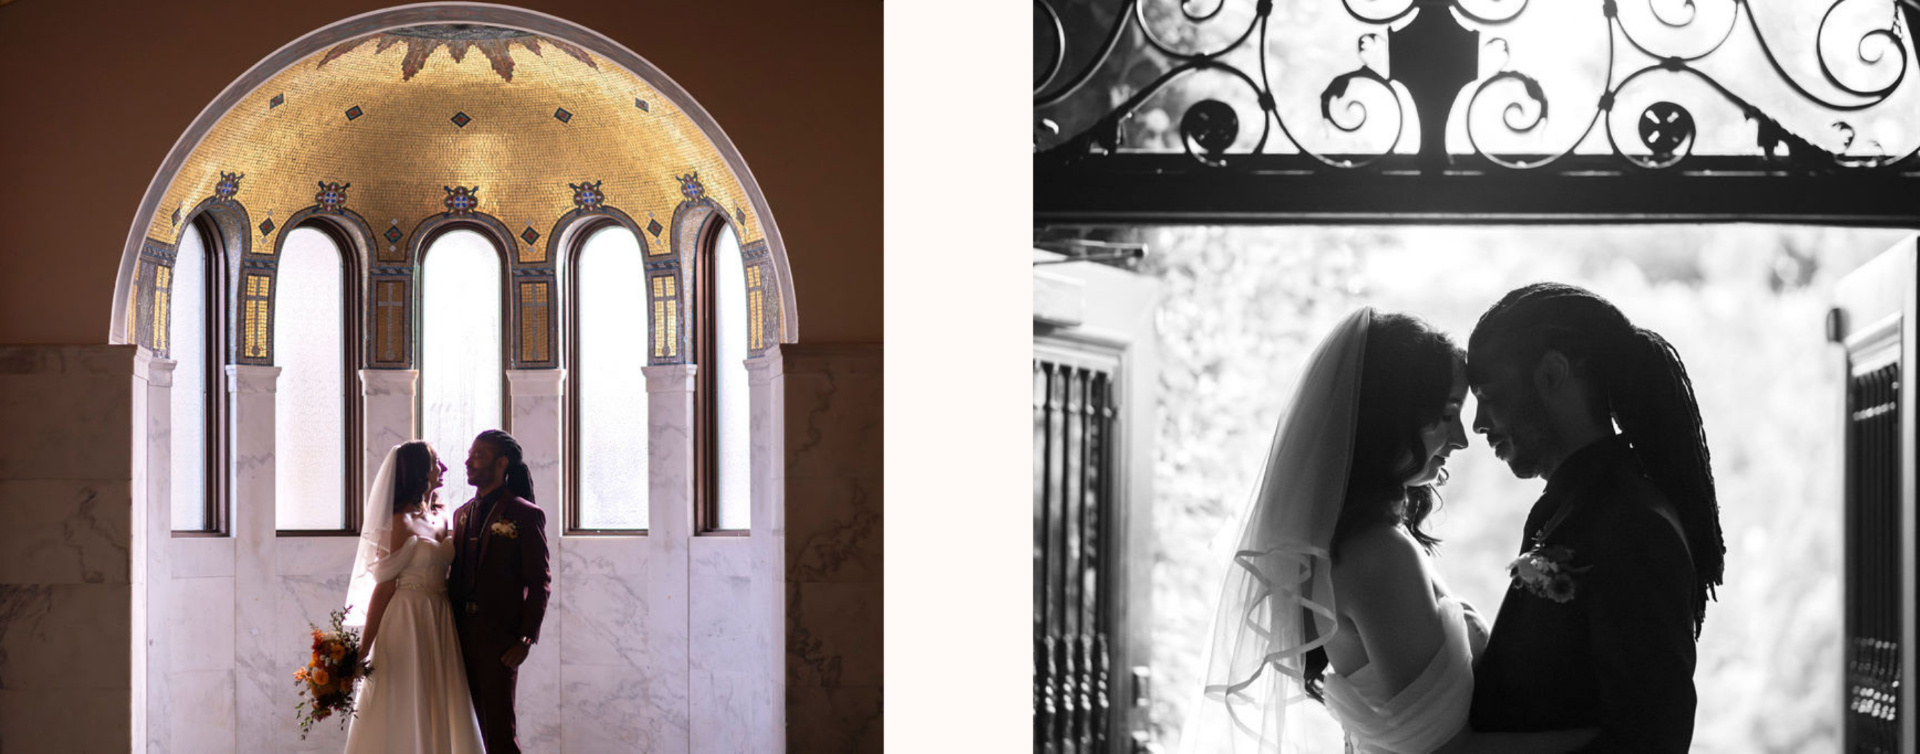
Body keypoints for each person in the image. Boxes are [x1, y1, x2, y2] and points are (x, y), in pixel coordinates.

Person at [1187, 308, 1595, 754]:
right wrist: (1608, 739)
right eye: (1445, 413)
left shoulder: (1353, 544)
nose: (1461, 437)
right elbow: (1451, 751)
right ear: (1389, 417)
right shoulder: (1378, 554)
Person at [1459, 283, 1722, 753]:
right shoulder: (1568, 506)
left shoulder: (1634, 523)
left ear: (1552, 373)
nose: (1478, 423)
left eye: (1489, 395)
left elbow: (1649, 741)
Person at [343, 440, 485, 753]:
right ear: (419, 471)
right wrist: (363, 649)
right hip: (406, 620)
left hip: (440, 618)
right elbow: (384, 588)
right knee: (406, 700)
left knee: (440, 699)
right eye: (436, 462)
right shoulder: (399, 522)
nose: (445, 468)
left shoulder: (442, 517)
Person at [449, 429, 551, 754]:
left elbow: (540, 583)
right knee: (466, 730)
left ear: (501, 462)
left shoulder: (525, 514)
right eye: (469, 454)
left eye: (478, 455)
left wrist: (525, 639)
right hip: (456, 637)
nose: (468, 462)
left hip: (499, 641)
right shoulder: (461, 514)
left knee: (500, 733)